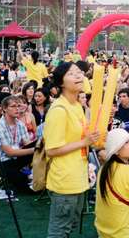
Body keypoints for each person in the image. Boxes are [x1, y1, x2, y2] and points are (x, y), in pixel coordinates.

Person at [44, 62, 100, 238]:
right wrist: (85, 142)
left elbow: (80, 136)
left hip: (78, 177)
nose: (78, 76)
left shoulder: (76, 106)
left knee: (71, 225)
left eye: (79, 73)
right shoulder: (59, 110)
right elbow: (51, 150)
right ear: (61, 83)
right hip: (65, 180)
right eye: (72, 74)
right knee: (60, 230)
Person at [95, 129, 129, 238]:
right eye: (126, 143)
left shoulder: (104, 169)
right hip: (125, 232)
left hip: (104, 231)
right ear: (116, 151)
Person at [0, 95, 35, 193]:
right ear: (4, 109)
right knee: (24, 185)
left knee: (40, 148)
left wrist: (38, 147)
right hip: (0, 162)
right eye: (13, 106)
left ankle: (35, 175)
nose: (17, 109)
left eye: (18, 106)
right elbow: (9, 153)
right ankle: (25, 178)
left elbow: (27, 143)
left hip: (14, 159)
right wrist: (35, 149)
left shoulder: (20, 124)